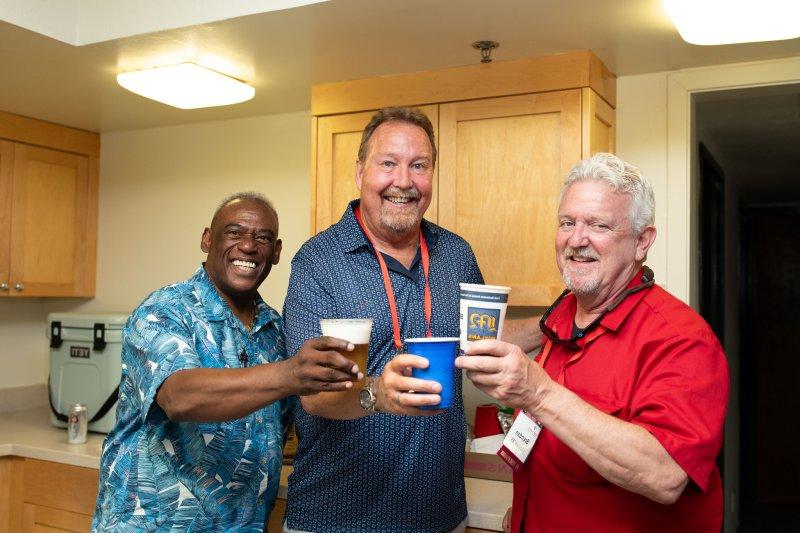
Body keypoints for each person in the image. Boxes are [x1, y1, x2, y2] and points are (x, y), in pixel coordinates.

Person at [282, 107, 539, 532]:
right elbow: (312, 393)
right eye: (388, 163)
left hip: (440, 517)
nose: (403, 181)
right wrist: (378, 393)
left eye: (419, 165)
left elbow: (481, 339)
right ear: (360, 171)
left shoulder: (456, 254)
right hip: (336, 520)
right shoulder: (318, 262)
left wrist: (552, 322)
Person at [457, 153, 729, 532]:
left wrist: (539, 393)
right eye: (567, 223)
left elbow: (665, 475)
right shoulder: (564, 316)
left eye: (598, 225)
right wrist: (526, 511)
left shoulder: (682, 339)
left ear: (642, 241)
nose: (576, 239)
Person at [92, 192, 361, 532]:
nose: (248, 246)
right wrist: (290, 374)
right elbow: (178, 397)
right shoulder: (164, 311)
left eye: (262, 238)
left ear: (276, 252)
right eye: (234, 233)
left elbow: (279, 426)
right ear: (207, 239)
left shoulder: (276, 331)